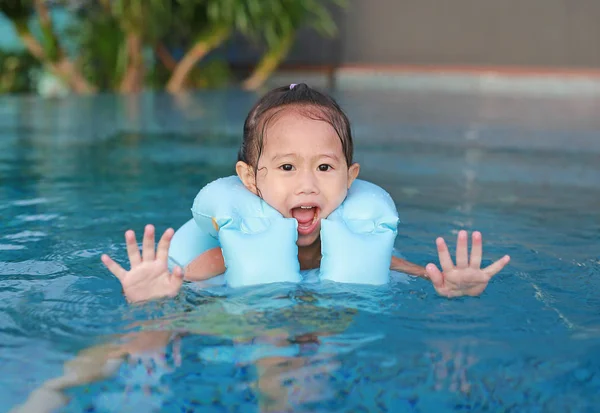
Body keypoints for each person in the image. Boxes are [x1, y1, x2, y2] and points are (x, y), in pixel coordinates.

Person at [101, 83, 510, 303]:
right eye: (286, 167)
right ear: (249, 179)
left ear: (350, 178)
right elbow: (182, 284)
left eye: (325, 167)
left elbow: (418, 275)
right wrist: (155, 295)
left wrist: (451, 286)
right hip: (240, 328)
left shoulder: (363, 244)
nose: (307, 184)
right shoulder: (224, 256)